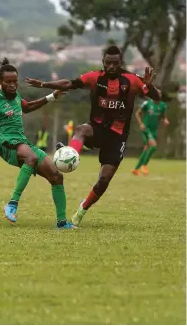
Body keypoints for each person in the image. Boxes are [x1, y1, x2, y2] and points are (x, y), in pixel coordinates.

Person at [25, 45, 160, 227]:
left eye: (115, 63)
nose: (111, 67)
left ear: (121, 63)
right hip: (96, 129)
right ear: (103, 62)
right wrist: (44, 84)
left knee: (104, 179)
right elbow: (69, 84)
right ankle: (69, 155)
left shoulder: (132, 80)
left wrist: (149, 86)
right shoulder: (95, 77)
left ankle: (83, 208)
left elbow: (156, 97)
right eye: (107, 63)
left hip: (118, 136)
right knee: (81, 129)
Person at [0, 58, 76, 229]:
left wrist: (52, 96)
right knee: (31, 157)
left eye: (15, 81)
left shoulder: (16, 98)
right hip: (7, 144)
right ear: (0, 82)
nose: (13, 85)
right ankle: (12, 204)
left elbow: (27, 107)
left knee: (56, 176)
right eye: (8, 82)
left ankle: (61, 222)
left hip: (22, 142)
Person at [132, 89, 169, 176]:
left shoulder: (163, 105)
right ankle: (144, 165)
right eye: (156, 93)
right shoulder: (147, 104)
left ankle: (136, 169)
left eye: (159, 93)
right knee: (153, 146)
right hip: (146, 129)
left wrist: (165, 120)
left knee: (146, 148)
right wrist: (141, 124)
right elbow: (137, 114)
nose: (158, 95)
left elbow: (164, 116)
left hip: (154, 130)